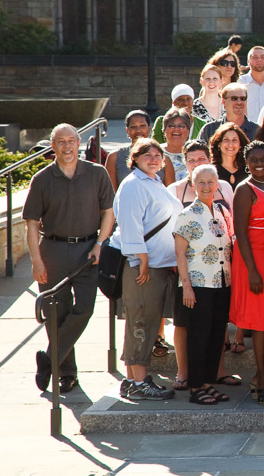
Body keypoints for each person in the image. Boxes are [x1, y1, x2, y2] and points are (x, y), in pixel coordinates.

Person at [25, 124, 115, 393]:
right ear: (53, 146)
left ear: (80, 143)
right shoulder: (42, 179)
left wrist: (100, 244)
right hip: (52, 251)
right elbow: (31, 224)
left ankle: (49, 358)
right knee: (56, 313)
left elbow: (108, 212)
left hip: (87, 250)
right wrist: (36, 261)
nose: (67, 146)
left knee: (85, 308)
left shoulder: (96, 174)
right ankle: (66, 373)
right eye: (61, 142)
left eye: (71, 141)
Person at [112, 138, 183, 401]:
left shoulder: (153, 183)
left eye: (157, 155)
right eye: (147, 154)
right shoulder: (133, 185)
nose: (153, 159)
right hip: (144, 266)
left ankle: (132, 379)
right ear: (135, 158)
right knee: (141, 320)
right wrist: (140, 256)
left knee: (146, 320)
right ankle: (139, 382)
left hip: (159, 263)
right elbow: (129, 223)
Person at [172, 163, 234, 405]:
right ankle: (196, 386)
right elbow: (179, 254)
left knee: (217, 335)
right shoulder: (187, 215)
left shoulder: (221, 212)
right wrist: (186, 286)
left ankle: (208, 382)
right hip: (198, 285)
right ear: (193, 185)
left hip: (221, 283)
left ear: (217, 185)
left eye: (211, 182)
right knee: (198, 336)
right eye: (201, 182)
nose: (207, 186)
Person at [230, 141, 264, 404]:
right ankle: (262, 380)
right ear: (246, 162)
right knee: (262, 323)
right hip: (255, 260)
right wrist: (252, 271)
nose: (259, 164)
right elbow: (240, 233)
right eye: (254, 160)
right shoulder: (244, 189)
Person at [107, 110, 173, 188]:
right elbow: (111, 193)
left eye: (142, 126)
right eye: (133, 127)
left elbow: (170, 192)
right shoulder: (114, 157)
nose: (138, 130)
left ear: (149, 128)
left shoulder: (163, 159)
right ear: (127, 130)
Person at [210, 123, 249, 190]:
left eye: (235, 140)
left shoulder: (247, 170)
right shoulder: (211, 171)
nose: (230, 144)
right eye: (226, 140)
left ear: (240, 145)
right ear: (219, 144)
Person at [160, 108, 192, 181]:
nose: (176, 129)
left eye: (181, 126)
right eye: (171, 126)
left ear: (188, 130)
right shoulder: (155, 152)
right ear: (164, 129)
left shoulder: (195, 152)